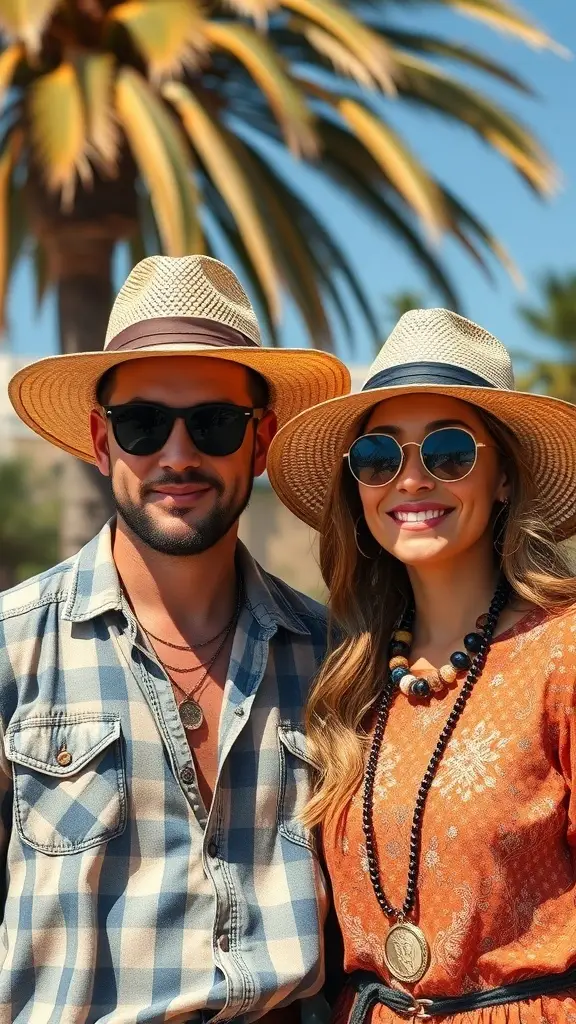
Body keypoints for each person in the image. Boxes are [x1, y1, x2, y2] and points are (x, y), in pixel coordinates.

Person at [0, 254, 350, 1023]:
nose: (179, 455)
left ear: (261, 443)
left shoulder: (334, 661)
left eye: (215, 423)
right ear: (101, 441)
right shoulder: (13, 649)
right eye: (143, 423)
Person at [267, 307, 576, 1022]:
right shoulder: (350, 677)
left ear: (502, 478)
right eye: (379, 456)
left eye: (449, 453)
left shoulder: (562, 654)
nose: (411, 479)